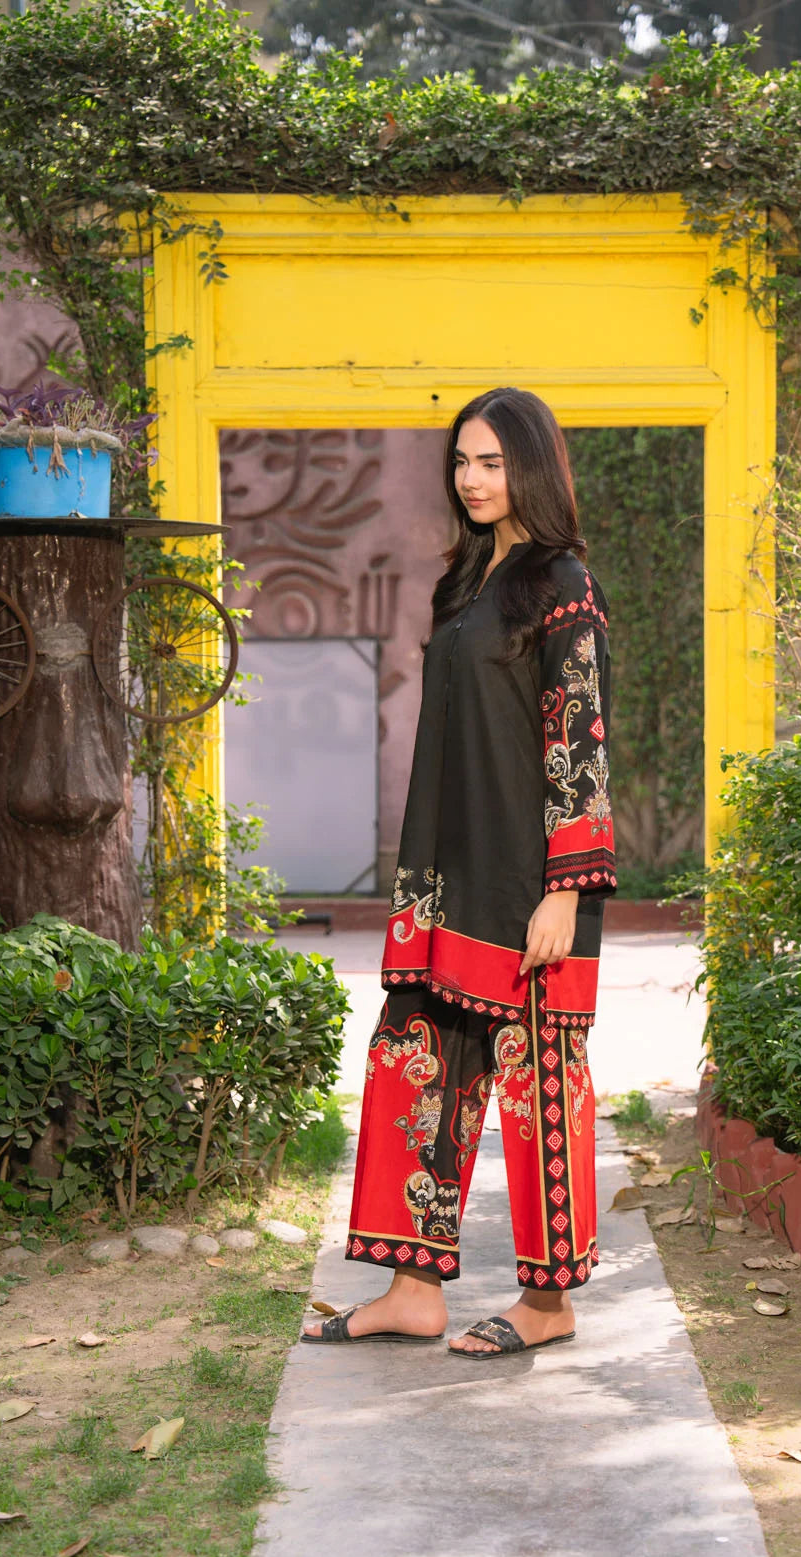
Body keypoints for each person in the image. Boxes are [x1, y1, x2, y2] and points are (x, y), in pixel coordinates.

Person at [302, 386, 616, 1357]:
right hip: (447, 881)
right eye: (461, 461)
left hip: (530, 885)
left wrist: (565, 890)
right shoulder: (467, 582)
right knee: (415, 1065)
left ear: (532, 468)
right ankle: (413, 1289)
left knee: (537, 1084)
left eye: (491, 462)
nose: (471, 480)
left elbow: (580, 741)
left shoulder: (562, 584)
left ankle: (549, 1305)